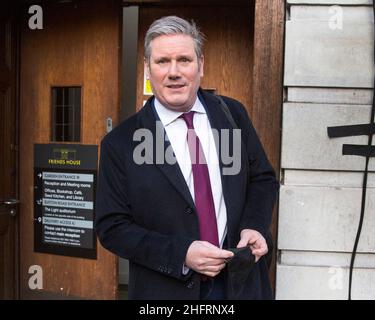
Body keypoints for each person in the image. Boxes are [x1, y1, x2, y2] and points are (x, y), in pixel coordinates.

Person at [95, 15, 279, 300]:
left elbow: (262, 178)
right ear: (147, 69)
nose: (174, 72)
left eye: (184, 60)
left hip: (239, 284)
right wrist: (181, 253)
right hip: (167, 289)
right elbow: (112, 228)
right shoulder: (120, 144)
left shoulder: (232, 115)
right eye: (162, 61)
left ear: (200, 65)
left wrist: (254, 225)